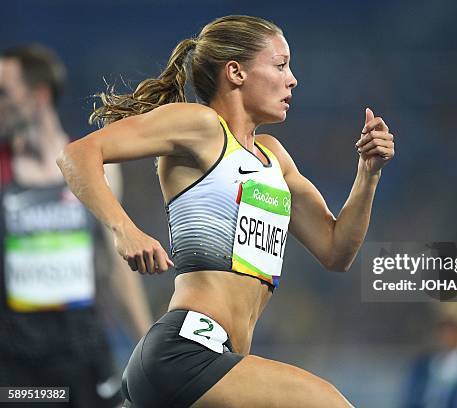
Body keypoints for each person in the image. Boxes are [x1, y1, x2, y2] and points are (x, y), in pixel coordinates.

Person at [57, 15, 395, 408]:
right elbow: (77, 154)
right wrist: (124, 229)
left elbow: (336, 250)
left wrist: (368, 174)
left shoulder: (275, 158)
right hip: (185, 353)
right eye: (280, 64)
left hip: (220, 360)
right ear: (235, 72)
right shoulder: (201, 126)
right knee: (330, 403)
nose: (293, 79)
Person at [0, 44, 153, 407]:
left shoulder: (94, 168)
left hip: (84, 356)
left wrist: (149, 349)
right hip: (17, 366)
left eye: (3, 93)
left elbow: (117, 268)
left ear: (39, 97)